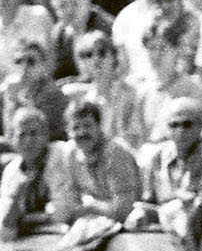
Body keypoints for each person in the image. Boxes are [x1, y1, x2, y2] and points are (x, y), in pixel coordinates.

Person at [128, 95, 202, 251]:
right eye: (174, 125)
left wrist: (170, 210)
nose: (180, 131)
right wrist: (143, 213)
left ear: (200, 126)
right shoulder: (157, 158)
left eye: (187, 124)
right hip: (165, 246)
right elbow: (149, 202)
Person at [46, 97, 140, 226]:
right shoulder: (71, 153)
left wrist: (90, 208)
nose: (82, 132)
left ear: (99, 127)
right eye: (76, 127)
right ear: (68, 132)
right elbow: (69, 201)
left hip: (135, 220)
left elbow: (124, 210)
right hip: (100, 217)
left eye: (87, 126)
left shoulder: (115, 153)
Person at [0, 106, 56, 240]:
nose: (28, 141)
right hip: (30, 238)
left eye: (34, 133)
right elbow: (5, 228)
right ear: (13, 139)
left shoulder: (60, 157)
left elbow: (63, 213)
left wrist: (25, 219)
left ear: (46, 135)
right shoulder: (11, 171)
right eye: (22, 135)